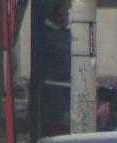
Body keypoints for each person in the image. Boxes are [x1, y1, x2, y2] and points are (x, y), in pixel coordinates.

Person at [40, 1, 72, 130]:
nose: (64, 18)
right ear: (54, 16)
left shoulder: (69, 34)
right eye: (60, 15)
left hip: (70, 83)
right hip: (54, 84)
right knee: (57, 118)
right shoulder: (47, 34)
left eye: (66, 15)